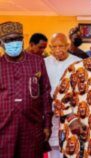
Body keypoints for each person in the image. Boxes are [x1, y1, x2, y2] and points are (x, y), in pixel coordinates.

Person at [0, 21, 53, 158]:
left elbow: (46, 93)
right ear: (1, 43)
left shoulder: (37, 61)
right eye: (9, 40)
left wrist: (47, 124)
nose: (14, 43)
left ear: (23, 41)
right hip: (4, 129)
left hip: (32, 128)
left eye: (17, 39)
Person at [45, 33, 81, 158]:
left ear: (67, 46)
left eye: (61, 46)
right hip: (51, 111)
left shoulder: (77, 62)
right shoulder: (45, 62)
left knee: (71, 144)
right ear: (50, 47)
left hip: (70, 112)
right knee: (53, 145)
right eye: (54, 47)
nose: (57, 50)